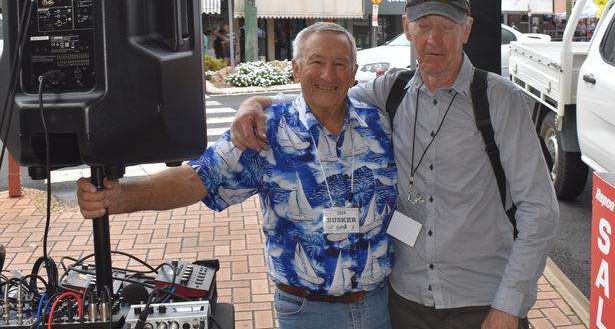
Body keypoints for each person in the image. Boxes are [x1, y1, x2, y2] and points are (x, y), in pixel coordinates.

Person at [231, 0, 559, 329]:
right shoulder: (391, 92)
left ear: (467, 30)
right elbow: (323, 96)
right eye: (423, 25)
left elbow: (539, 210)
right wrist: (256, 104)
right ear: (407, 28)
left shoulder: (499, 100)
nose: (434, 39)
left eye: (447, 26)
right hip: (405, 302)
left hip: (480, 303)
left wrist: (509, 305)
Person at [76, 22, 397, 329]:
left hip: (377, 307)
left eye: (341, 64)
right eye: (316, 61)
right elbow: (195, 179)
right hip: (307, 311)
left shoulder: (381, 126)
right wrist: (119, 197)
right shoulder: (266, 129)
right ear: (296, 69)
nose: (329, 74)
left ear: (354, 73)